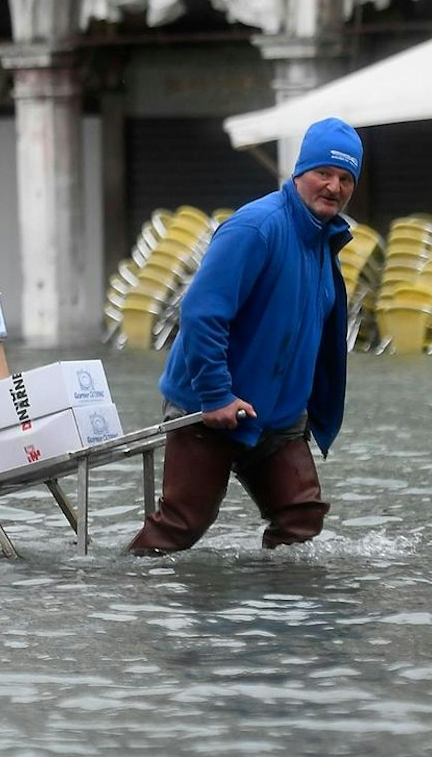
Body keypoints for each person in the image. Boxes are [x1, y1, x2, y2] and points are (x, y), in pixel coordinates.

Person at [129, 117, 362, 555]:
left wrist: (310, 408)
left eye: (346, 178)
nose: (334, 186)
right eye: (324, 173)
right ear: (298, 174)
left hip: (278, 416)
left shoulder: (323, 242)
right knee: (181, 526)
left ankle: (272, 606)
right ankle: (129, 596)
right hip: (209, 403)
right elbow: (200, 313)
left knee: (301, 517)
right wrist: (215, 395)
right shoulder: (256, 228)